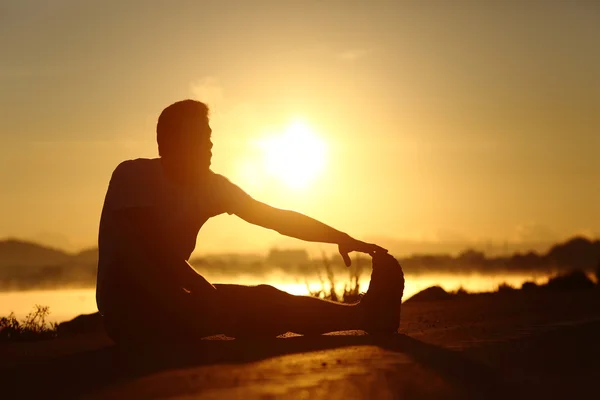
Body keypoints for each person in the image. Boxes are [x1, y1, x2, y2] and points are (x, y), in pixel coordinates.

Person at [96, 100, 404, 343]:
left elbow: (274, 217)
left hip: (177, 301)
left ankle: (365, 317)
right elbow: (153, 251)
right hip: (129, 314)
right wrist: (207, 293)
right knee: (247, 305)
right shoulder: (133, 176)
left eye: (209, 137)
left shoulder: (211, 187)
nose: (210, 145)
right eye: (200, 137)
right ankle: (367, 317)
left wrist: (340, 236)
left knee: (265, 298)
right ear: (171, 143)